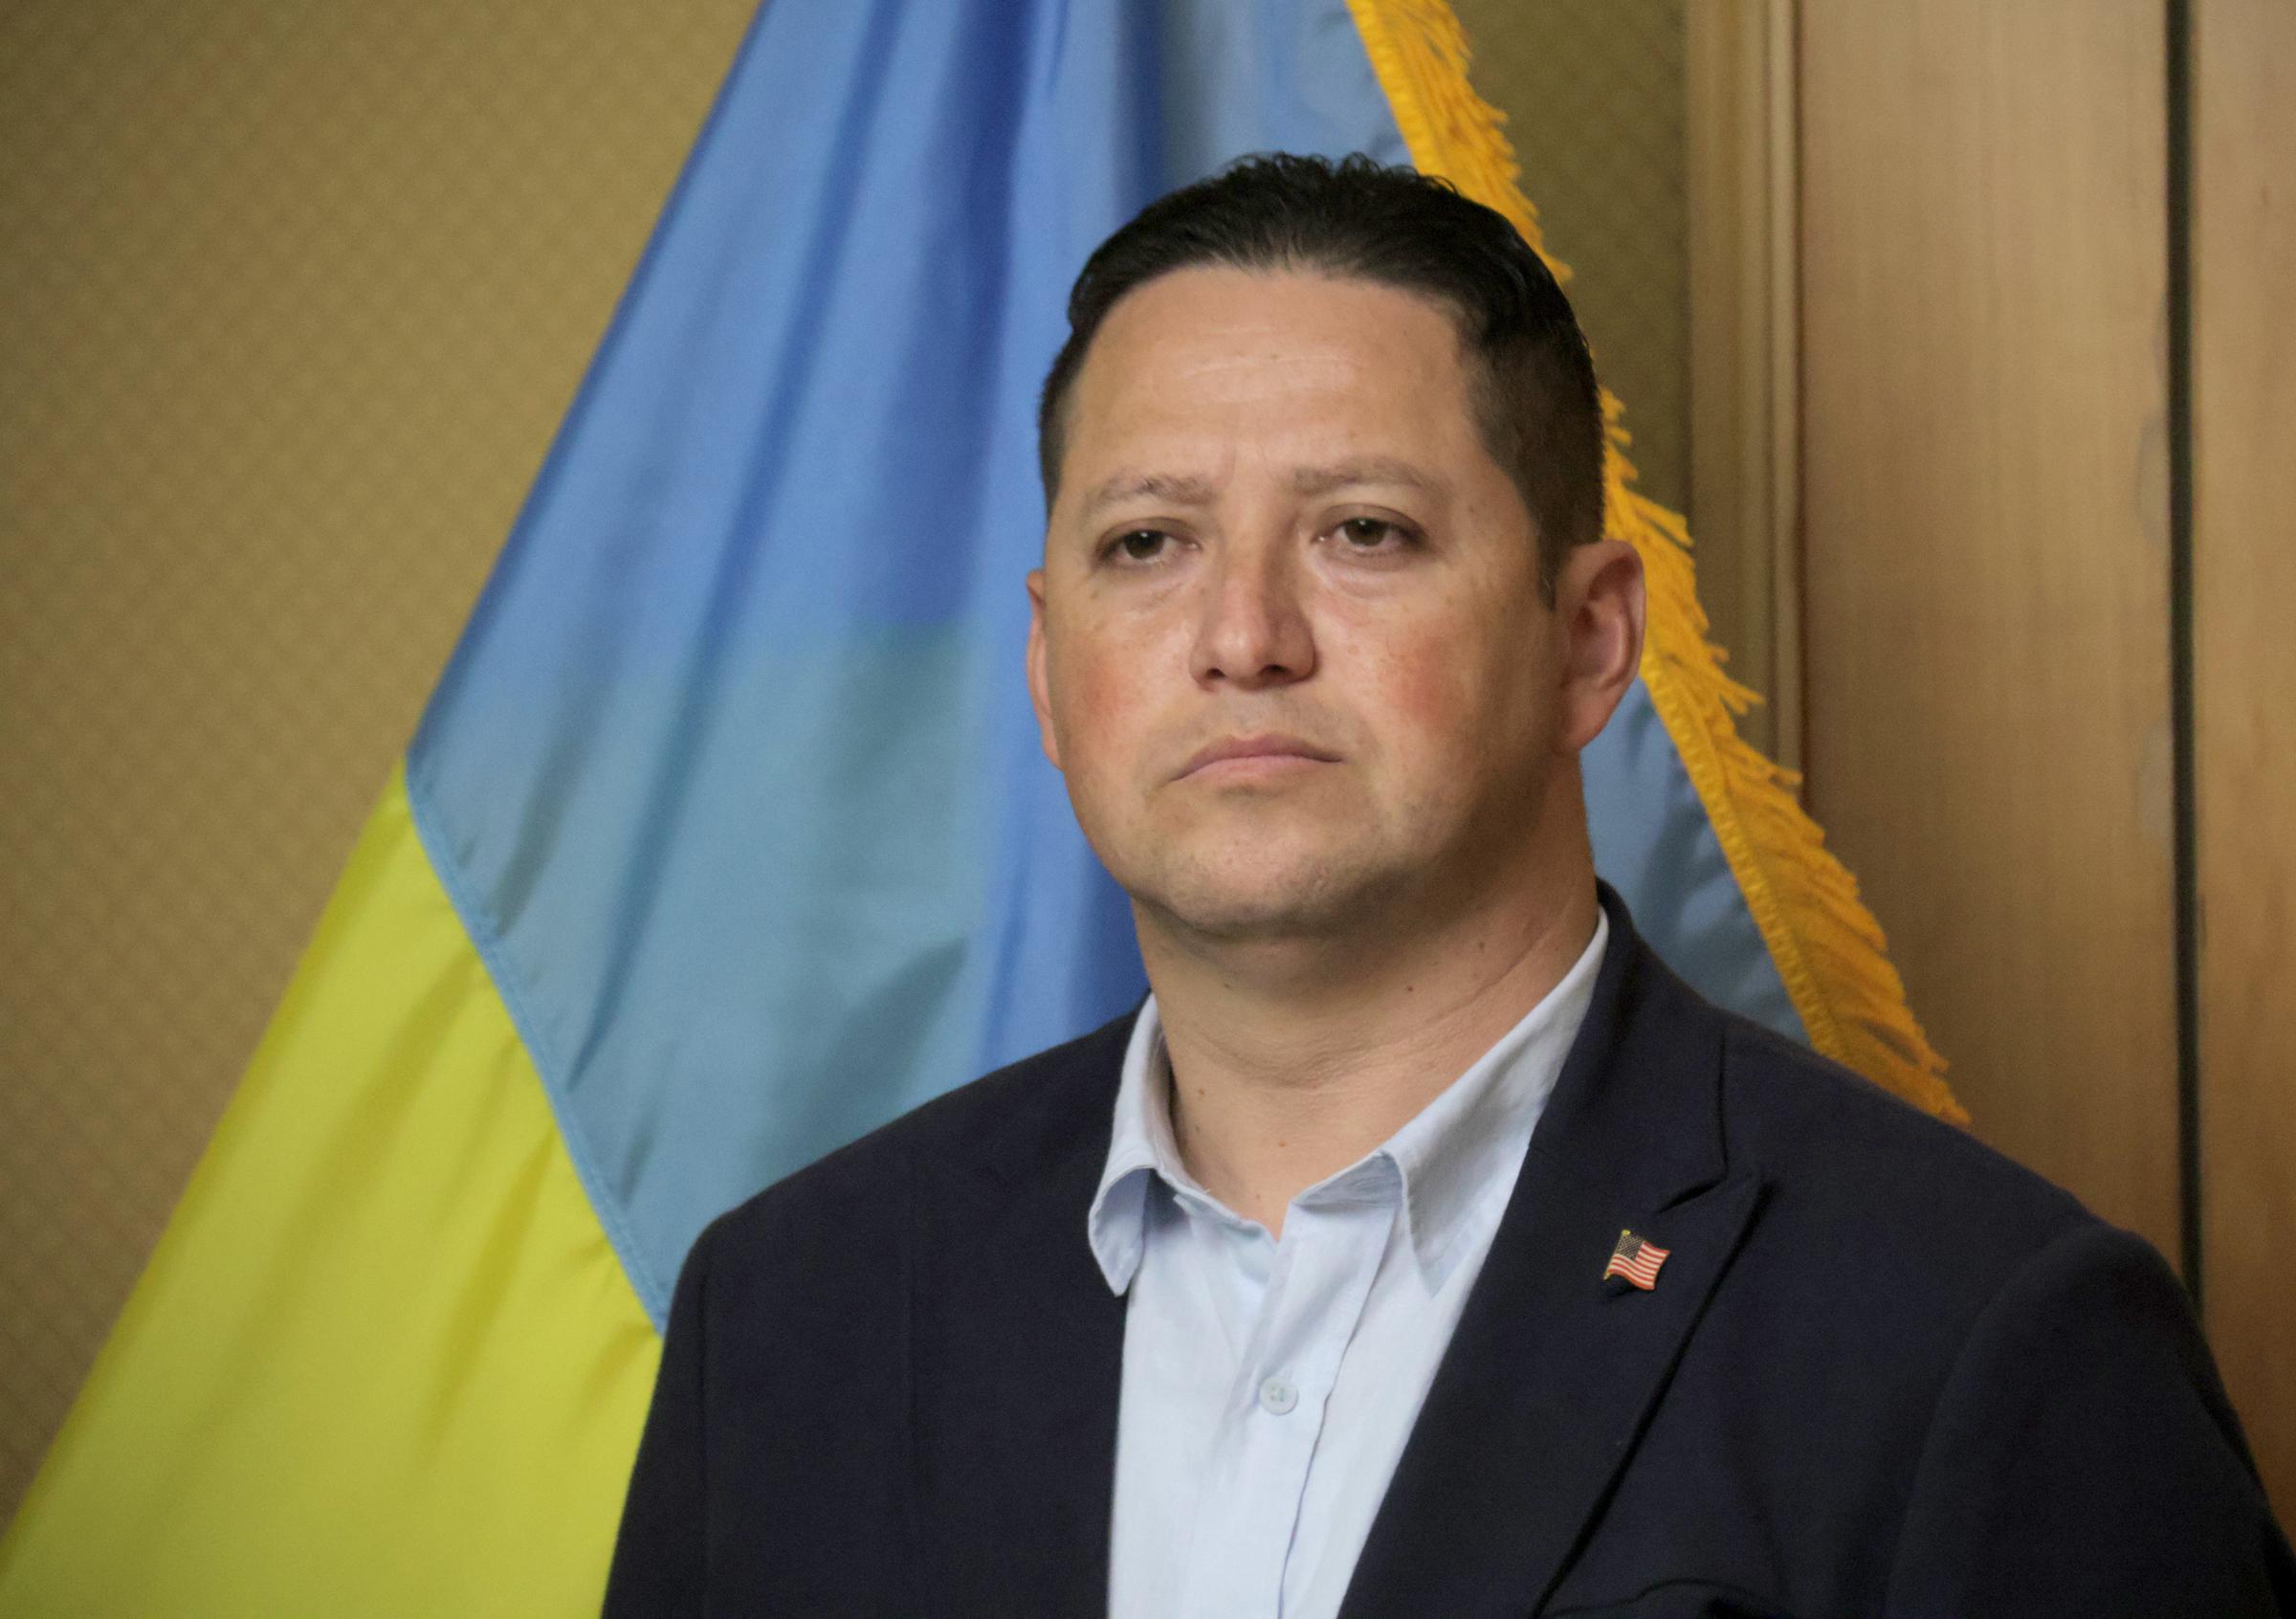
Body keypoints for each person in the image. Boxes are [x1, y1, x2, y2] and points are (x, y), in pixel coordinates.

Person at [602, 154, 2293, 1618]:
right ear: (1051, 672)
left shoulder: (1982, 1343)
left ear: (1587, 639)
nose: (1242, 638)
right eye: (1147, 544)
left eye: (1365, 531)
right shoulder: (789, 1318)